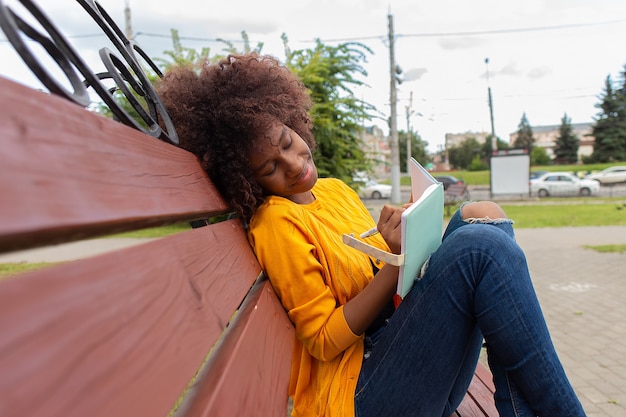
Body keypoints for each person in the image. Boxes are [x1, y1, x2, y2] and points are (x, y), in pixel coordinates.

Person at [155, 53, 586, 417]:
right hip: (359, 393)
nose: (292, 163)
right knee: (483, 250)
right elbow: (323, 342)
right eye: (269, 168)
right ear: (246, 181)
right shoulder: (276, 224)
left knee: (480, 215)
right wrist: (392, 264)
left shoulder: (334, 191)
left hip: (398, 354)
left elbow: (386, 283)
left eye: (287, 142)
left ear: (291, 119)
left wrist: (403, 246)